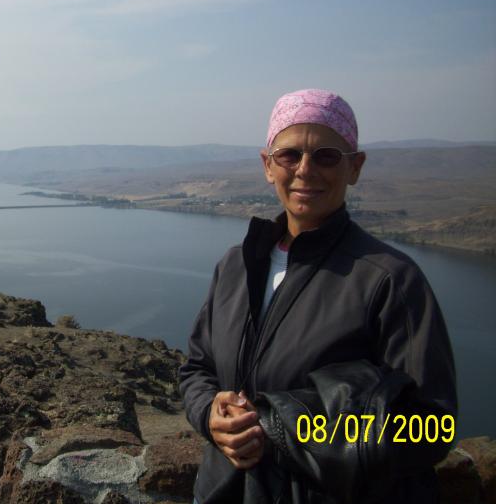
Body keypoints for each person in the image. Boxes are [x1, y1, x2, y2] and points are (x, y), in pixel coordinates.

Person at [179, 89, 457, 504]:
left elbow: (431, 428)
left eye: (326, 156)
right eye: (289, 155)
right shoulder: (236, 266)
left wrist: (280, 429)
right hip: (225, 491)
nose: (305, 170)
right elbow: (196, 369)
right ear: (267, 166)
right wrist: (209, 413)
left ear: (355, 167)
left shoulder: (390, 280)